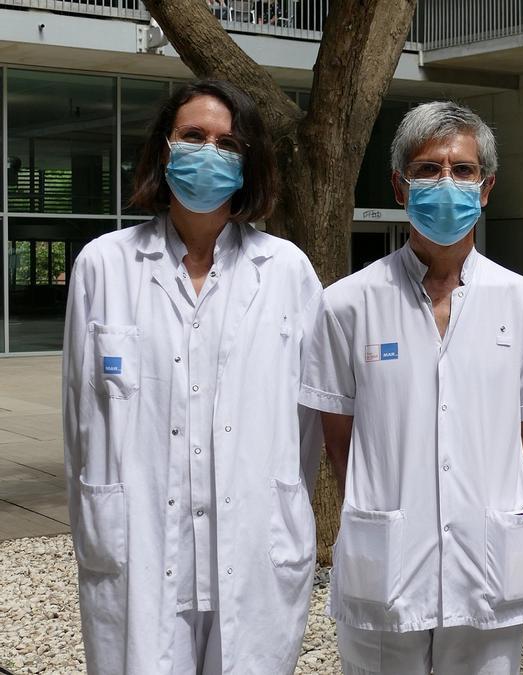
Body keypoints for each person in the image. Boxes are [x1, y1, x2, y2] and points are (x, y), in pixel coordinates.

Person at [62, 79, 323, 674]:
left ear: (249, 162)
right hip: (144, 544)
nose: (210, 152)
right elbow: (80, 416)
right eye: (194, 136)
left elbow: (307, 421)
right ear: (164, 150)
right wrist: (100, 516)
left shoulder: (286, 271)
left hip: (255, 539)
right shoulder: (104, 265)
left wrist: (286, 504)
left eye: (228, 143)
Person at [299, 101, 523, 675]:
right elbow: (340, 443)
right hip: (385, 561)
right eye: (428, 169)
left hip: (488, 560)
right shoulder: (347, 304)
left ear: (487, 187)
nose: (446, 182)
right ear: (400, 187)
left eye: (462, 169)